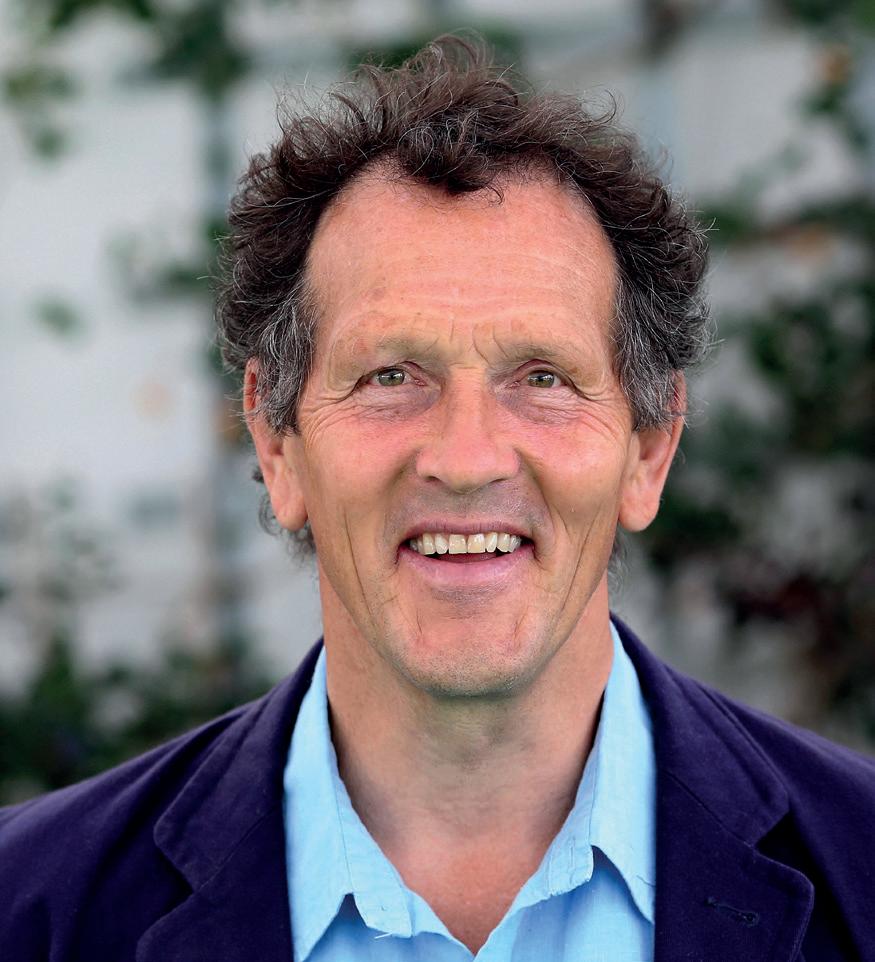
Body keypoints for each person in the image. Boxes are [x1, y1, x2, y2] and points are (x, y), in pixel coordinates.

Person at [2, 35, 873, 962]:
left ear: (649, 448)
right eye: (389, 376)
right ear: (276, 441)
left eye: (541, 377)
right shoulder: (27, 907)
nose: (465, 459)